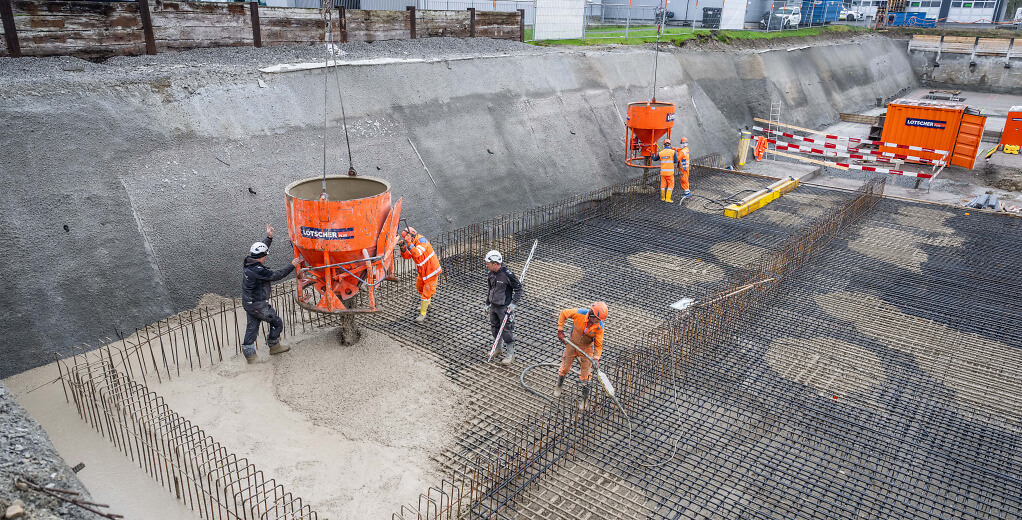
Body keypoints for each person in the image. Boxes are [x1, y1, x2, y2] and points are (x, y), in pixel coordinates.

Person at [241, 224, 301, 364]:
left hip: (249, 303)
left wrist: (269, 237)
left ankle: (250, 356)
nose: (266, 258)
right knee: (277, 323)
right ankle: (274, 346)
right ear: (261, 257)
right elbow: (276, 275)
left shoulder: (249, 261)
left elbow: (260, 249)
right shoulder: (258, 270)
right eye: (265, 256)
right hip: (258, 304)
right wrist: (292, 265)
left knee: (252, 328)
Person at [554, 302, 608, 411]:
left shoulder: (599, 327)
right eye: (597, 319)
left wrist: (596, 358)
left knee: (586, 375)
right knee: (565, 367)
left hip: (587, 348)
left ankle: (584, 400)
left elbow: (598, 345)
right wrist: (560, 330)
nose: (599, 322)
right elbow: (563, 313)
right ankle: (559, 386)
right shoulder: (580, 313)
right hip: (572, 343)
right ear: (592, 315)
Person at [485, 250, 523, 365]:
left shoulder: (507, 274)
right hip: (494, 306)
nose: (486, 265)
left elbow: (519, 289)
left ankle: (510, 355)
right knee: (495, 328)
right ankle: (498, 349)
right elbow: (490, 289)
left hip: (505, 307)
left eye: (488, 263)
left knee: (507, 331)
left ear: (495, 263)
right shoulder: (491, 274)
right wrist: (487, 303)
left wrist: (513, 303)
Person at [399, 226, 442, 323]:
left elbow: (417, 253)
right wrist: (402, 248)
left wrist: (409, 243)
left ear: (412, 236)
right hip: (423, 271)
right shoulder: (412, 243)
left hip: (431, 270)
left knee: (427, 291)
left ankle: (423, 314)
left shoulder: (422, 241)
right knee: (420, 287)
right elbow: (407, 256)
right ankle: (427, 303)